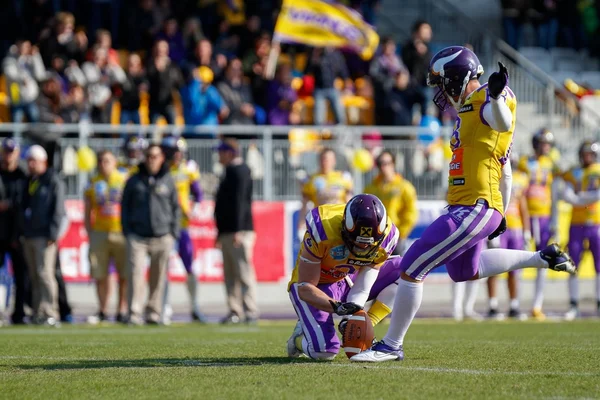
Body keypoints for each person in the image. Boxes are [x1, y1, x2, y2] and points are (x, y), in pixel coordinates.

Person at [351, 46, 575, 362]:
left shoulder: (489, 97)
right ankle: (541, 257)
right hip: (473, 205)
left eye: (443, 83)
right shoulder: (469, 108)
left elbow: (501, 119)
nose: (441, 92)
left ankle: (391, 345)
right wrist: (502, 212)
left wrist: (496, 96)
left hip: (474, 205)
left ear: (457, 78)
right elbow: (505, 168)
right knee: (464, 271)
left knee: (413, 264)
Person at [287, 194, 400, 360]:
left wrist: (353, 318)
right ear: (344, 229)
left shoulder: (389, 236)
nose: (362, 249)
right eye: (357, 243)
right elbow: (305, 287)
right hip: (318, 286)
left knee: (408, 271)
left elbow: (363, 285)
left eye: (368, 244)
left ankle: (367, 324)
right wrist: (337, 307)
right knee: (324, 352)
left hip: (349, 277)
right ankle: (298, 339)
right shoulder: (323, 228)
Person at [121, 144, 179, 325]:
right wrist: (128, 231)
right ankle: (134, 313)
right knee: (135, 275)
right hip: (138, 236)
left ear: (162, 158)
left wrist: (173, 233)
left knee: (158, 277)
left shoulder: (168, 179)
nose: (152, 160)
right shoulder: (134, 180)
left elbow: (176, 208)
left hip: (162, 235)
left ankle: (154, 312)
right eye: (149, 156)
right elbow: (124, 208)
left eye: (155, 156)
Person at [517, 128, 562, 320]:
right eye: (543, 143)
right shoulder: (525, 162)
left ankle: (537, 305)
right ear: (536, 143)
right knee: (519, 259)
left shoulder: (552, 164)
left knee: (544, 261)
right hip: (525, 217)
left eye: (548, 143)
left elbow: (556, 193)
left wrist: (555, 220)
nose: (546, 147)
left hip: (543, 217)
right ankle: (515, 304)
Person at [161, 136, 205, 322]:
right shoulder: (161, 170)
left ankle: (194, 306)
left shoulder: (188, 168)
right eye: (174, 152)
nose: (178, 156)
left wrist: (192, 209)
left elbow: (198, 193)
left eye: (179, 152)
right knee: (162, 268)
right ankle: (163, 307)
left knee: (189, 267)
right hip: (163, 225)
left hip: (182, 226)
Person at [20, 145, 66, 327]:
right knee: (34, 275)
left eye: (34, 161)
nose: (31, 164)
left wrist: (53, 233)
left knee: (45, 274)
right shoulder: (30, 180)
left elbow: (58, 209)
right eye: (29, 160)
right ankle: (37, 311)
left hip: (45, 235)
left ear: (43, 162)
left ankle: (50, 311)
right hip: (30, 234)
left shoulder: (53, 180)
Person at [214, 138, 257, 324]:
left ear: (230, 153)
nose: (219, 155)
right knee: (231, 273)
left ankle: (250, 309)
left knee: (243, 271)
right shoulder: (230, 171)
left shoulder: (240, 171)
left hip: (238, 231)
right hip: (228, 230)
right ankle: (235, 310)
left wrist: (238, 229)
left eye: (222, 152)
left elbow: (240, 202)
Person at [84, 150, 128, 324]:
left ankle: (122, 310)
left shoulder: (124, 179)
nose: (104, 164)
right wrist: (89, 231)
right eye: (101, 160)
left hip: (120, 231)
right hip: (100, 232)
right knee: (100, 274)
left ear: (115, 162)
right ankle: (102, 310)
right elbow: (87, 210)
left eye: (107, 160)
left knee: (124, 275)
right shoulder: (93, 183)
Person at [487, 153, 531, 320]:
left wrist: (526, 232)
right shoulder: (494, 173)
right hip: (499, 226)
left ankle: (514, 305)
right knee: (494, 267)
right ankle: (492, 305)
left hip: (516, 227)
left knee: (514, 268)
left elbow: (523, 206)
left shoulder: (521, 177)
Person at [561, 141, 600, 320]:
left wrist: (580, 198)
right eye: (584, 154)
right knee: (573, 263)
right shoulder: (573, 172)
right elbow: (566, 195)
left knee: (599, 265)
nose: (587, 157)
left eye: (589, 154)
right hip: (576, 224)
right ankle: (574, 304)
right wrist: (584, 199)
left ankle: (598, 303)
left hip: (596, 223)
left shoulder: (597, 170)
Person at [364, 150, 418, 255]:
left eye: (387, 163)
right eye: (380, 163)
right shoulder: (371, 188)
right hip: (374, 237)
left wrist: (401, 233)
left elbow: (411, 212)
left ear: (393, 164)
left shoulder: (404, 186)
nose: (384, 167)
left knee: (395, 268)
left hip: (395, 236)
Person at [0, 139, 29, 324]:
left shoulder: (23, 175)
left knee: (22, 275)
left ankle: (19, 313)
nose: (9, 154)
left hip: (17, 233)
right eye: (6, 151)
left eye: (12, 151)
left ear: (17, 153)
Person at [298, 148, 353, 234]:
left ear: (334, 161)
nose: (326, 161)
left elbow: (349, 201)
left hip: (340, 221)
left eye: (329, 159)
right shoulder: (311, 179)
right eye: (323, 158)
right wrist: (301, 224)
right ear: (319, 160)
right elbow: (304, 204)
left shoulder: (343, 178)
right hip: (320, 223)